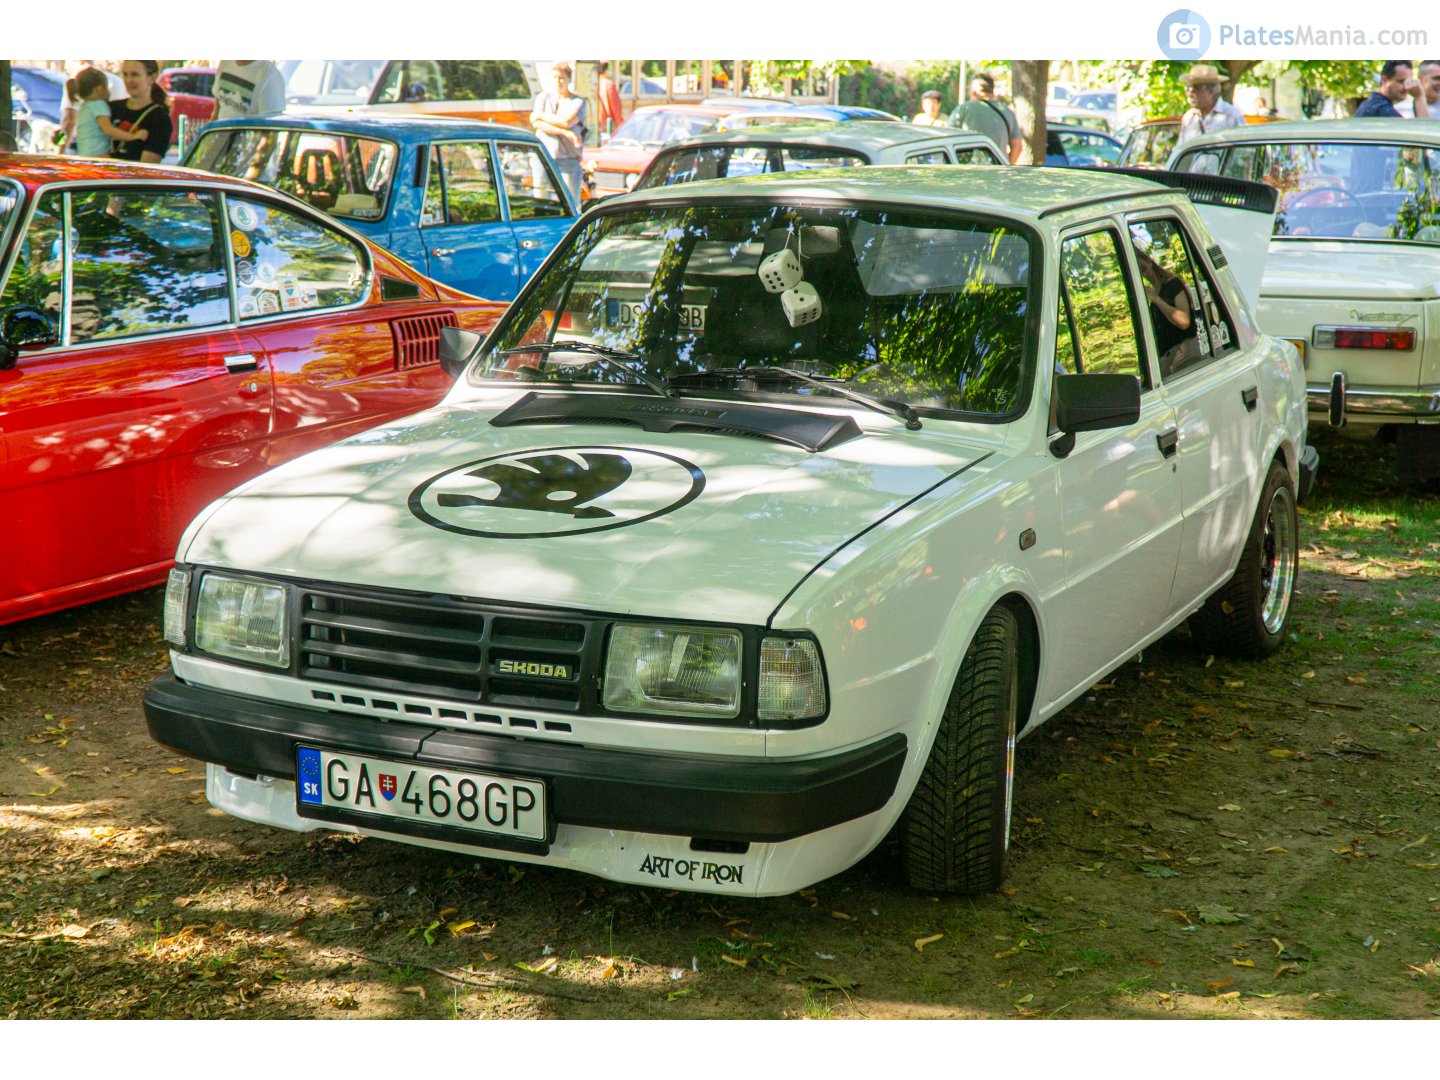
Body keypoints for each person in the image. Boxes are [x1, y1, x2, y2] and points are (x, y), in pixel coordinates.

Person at [531, 61, 585, 203]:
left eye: (561, 78)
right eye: (554, 78)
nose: (558, 82)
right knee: (541, 200)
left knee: (571, 201)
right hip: (544, 156)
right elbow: (536, 123)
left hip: (568, 159)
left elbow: (566, 122)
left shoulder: (577, 101)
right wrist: (566, 133)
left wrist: (541, 115)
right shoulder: (543, 98)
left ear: (568, 79)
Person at [949, 73, 1022, 163]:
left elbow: (947, 137)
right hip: (999, 170)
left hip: (969, 169)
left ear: (974, 91)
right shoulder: (1008, 112)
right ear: (992, 90)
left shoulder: (963, 109)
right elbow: (1017, 146)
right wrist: (1007, 166)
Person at [72, 67, 144, 157]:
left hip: (83, 153)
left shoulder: (84, 107)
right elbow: (108, 129)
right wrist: (133, 137)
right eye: (107, 88)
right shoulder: (99, 104)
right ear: (100, 89)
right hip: (98, 154)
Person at [110, 60, 172, 164]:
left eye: (135, 75)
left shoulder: (160, 119)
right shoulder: (110, 108)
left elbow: (147, 166)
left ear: (152, 77)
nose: (129, 80)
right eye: (125, 75)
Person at [1176, 64, 1246, 145]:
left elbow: (1244, 151)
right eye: (1187, 89)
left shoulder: (1231, 116)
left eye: (1194, 89)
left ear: (1211, 91)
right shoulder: (1189, 118)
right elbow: (1180, 148)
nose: (1190, 94)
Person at [211, 60, 286, 120]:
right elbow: (216, 112)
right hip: (220, 136)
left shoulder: (270, 76)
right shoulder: (225, 63)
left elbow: (270, 130)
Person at [1355, 61, 1429, 118]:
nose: (1406, 87)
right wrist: (1419, 97)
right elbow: (1422, 133)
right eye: (1401, 81)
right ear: (1385, 80)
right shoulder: (1382, 109)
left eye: (1408, 81)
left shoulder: (1371, 103)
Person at [596, 61, 624, 138]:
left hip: (595, 129)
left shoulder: (592, 84)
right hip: (609, 131)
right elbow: (617, 114)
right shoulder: (608, 85)